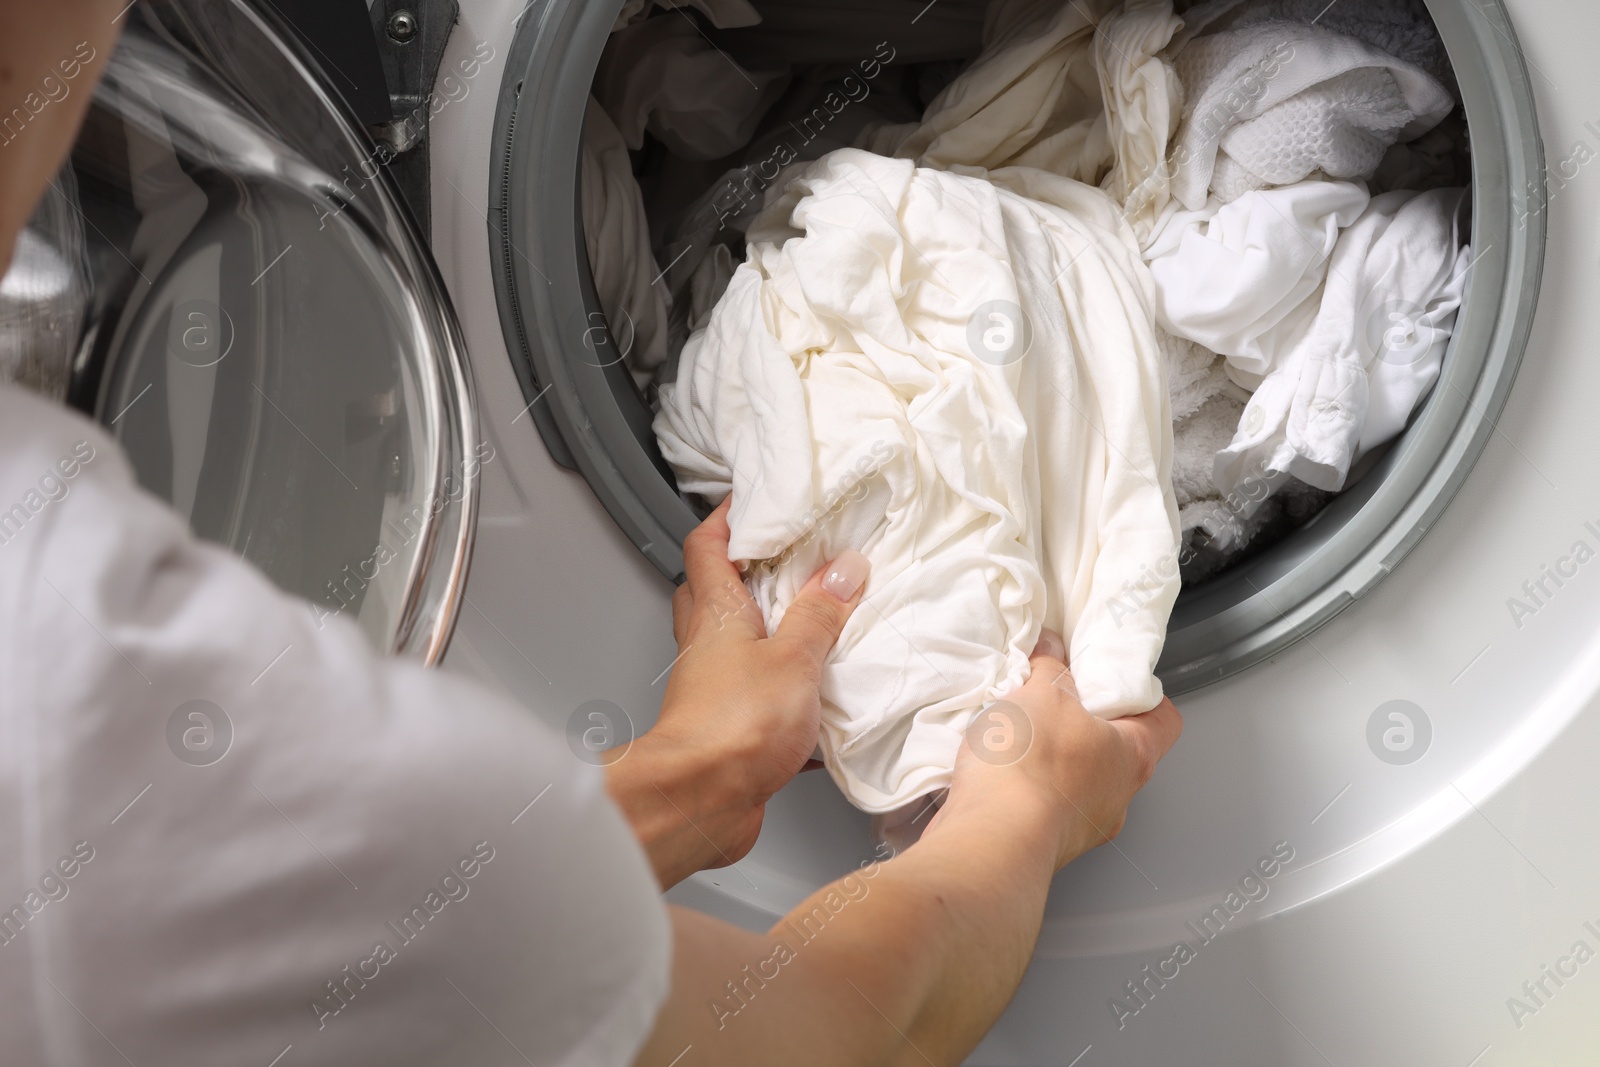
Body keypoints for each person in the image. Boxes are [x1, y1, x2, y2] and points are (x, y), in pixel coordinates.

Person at [0, 3, 1182, 1065]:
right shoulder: (78, 691)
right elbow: (836, 1029)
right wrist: (1020, 801)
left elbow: (292, 936)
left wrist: (690, 773)